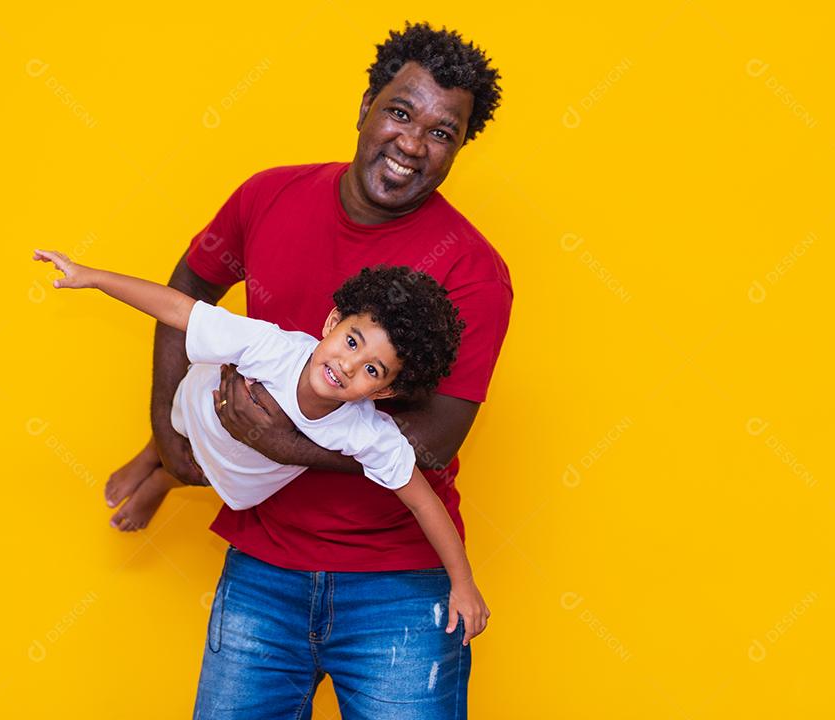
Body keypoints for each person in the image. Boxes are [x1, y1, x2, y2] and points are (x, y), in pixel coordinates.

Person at [111, 21, 512, 718]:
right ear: (365, 107)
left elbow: (435, 440)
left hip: (400, 587)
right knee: (209, 392)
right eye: (399, 112)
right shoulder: (268, 197)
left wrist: (280, 442)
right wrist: (168, 432)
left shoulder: (473, 269)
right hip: (263, 567)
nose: (413, 143)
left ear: (458, 150)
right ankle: (161, 464)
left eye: (442, 133)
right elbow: (188, 291)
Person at [33, 250, 490, 644]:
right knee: (182, 426)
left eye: (373, 370)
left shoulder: (368, 433)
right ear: (332, 322)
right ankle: (155, 452)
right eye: (351, 341)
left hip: (241, 471)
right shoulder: (270, 347)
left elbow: (424, 503)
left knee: (205, 472)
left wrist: (462, 582)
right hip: (206, 408)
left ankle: (166, 480)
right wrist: (91, 277)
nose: (348, 365)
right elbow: (179, 308)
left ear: (385, 392)